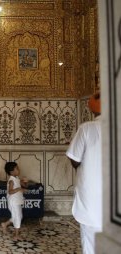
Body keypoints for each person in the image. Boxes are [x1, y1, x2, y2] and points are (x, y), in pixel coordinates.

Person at [66, 92, 102, 254]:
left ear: (92, 109)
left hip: (92, 202)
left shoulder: (87, 129)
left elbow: (75, 158)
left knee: (91, 245)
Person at [1, 162, 28, 240]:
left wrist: (25, 181)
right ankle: (16, 235)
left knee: (18, 216)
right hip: (13, 202)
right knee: (18, 217)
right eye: (17, 168)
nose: (19, 170)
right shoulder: (11, 181)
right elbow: (10, 191)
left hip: (17, 201)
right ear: (11, 172)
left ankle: (5, 224)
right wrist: (19, 189)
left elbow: (25, 186)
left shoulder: (17, 178)